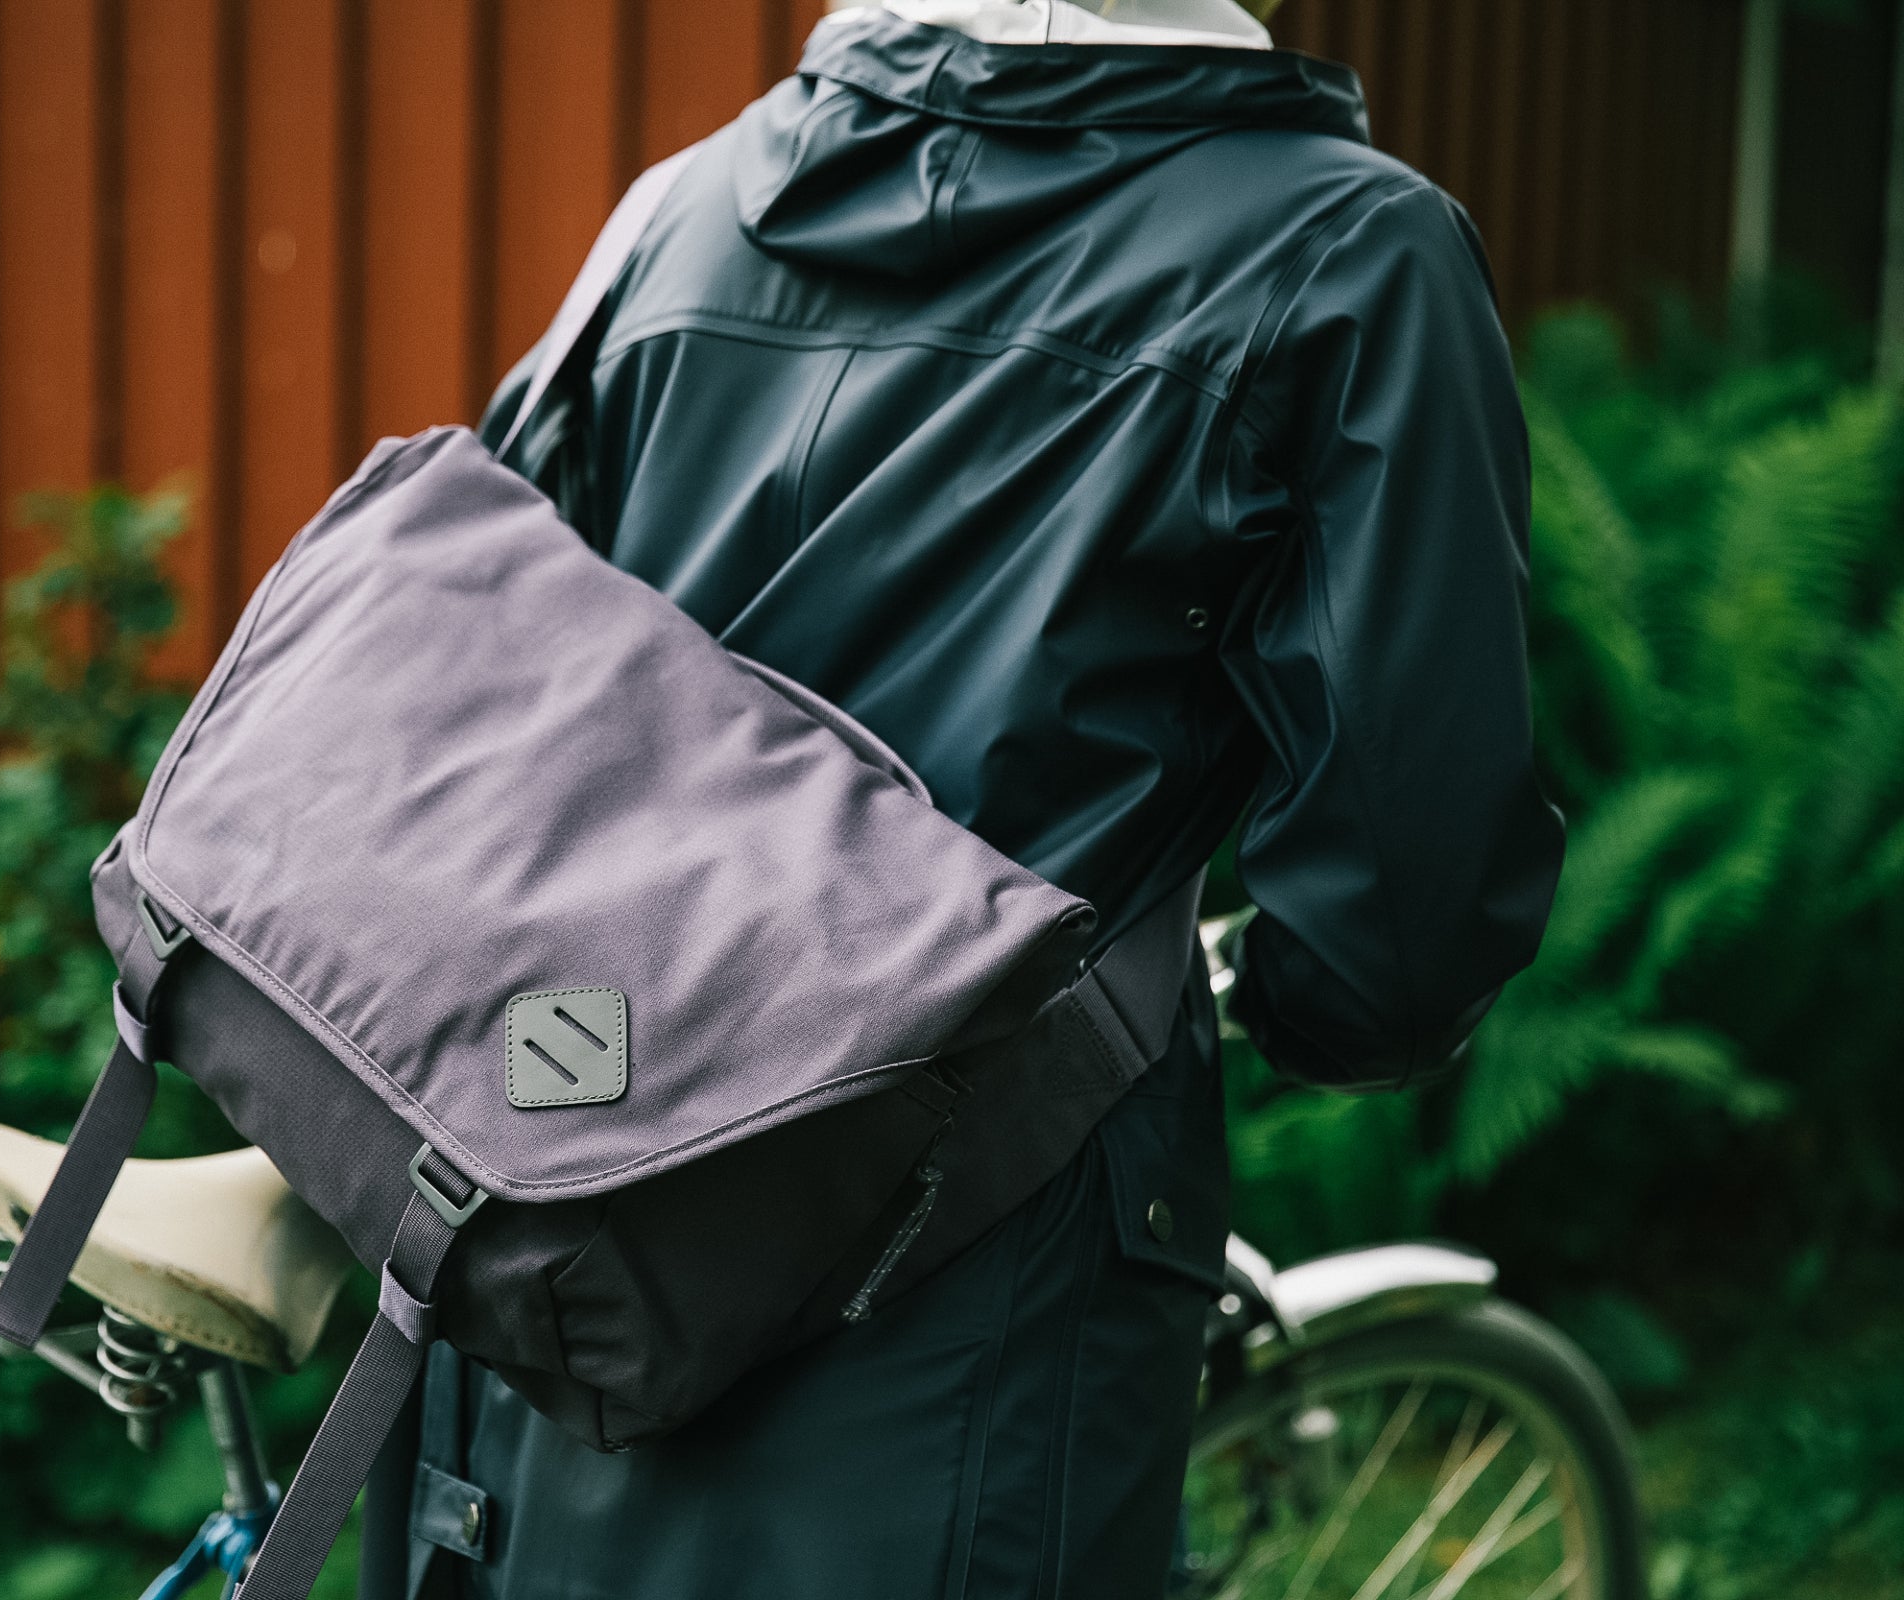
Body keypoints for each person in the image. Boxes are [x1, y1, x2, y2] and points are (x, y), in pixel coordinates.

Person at [368, 2, 1564, 1594]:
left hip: (567, 1225)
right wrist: (1298, 1003)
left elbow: (488, 696)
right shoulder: (1346, 256)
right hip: (982, 1293)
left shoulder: (677, 213)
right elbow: (1400, 927)